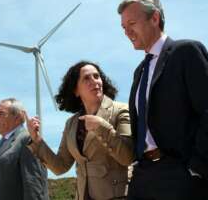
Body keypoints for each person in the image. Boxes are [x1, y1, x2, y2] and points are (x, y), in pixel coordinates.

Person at [118, 0, 208, 200]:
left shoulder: (186, 52)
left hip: (181, 176)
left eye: (131, 23)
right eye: (123, 27)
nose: (127, 31)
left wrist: (196, 170)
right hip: (143, 177)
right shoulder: (139, 71)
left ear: (154, 18)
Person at [27, 60, 134, 200]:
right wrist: (37, 140)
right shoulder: (71, 124)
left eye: (97, 76)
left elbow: (127, 156)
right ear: (76, 90)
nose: (94, 81)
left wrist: (101, 127)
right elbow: (60, 166)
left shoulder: (121, 110)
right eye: (86, 78)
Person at [0, 98, 49, 200]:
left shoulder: (28, 140)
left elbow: (34, 186)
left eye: (0, 114)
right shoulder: (2, 144)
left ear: (18, 117)